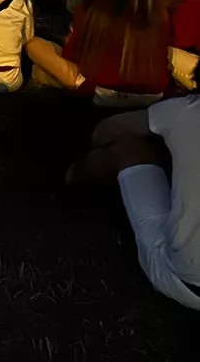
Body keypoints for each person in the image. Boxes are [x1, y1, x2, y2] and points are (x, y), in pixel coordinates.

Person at [66, 97, 200, 310]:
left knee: (127, 147)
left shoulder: (185, 110)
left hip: (185, 282)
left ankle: (77, 177)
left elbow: (107, 130)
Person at [26, 0, 171, 99]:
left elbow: (72, 55)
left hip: (100, 92)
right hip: (154, 94)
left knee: (34, 46)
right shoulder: (157, 7)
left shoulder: (92, 6)